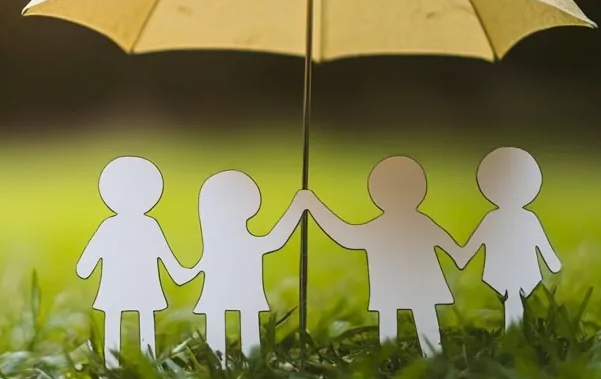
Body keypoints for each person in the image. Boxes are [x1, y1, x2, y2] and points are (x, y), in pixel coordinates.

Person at [294, 156, 461, 356]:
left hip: (409, 286)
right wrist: (314, 206)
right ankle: (420, 353)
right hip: (417, 287)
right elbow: (455, 250)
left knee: (405, 315)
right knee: (417, 314)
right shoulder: (420, 223)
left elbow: (347, 235)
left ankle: (408, 353)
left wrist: (314, 206)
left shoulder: (394, 226)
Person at [77, 156, 189, 367]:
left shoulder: (120, 226)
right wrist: (179, 273)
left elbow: (164, 254)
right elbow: (166, 256)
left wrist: (179, 273)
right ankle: (121, 362)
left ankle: (139, 362)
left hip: (129, 286)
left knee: (123, 318)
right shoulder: (142, 225)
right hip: (134, 286)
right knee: (133, 317)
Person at [187, 170, 303, 358]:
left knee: (242, 321)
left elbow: (275, 241)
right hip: (228, 293)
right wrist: (297, 208)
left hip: (236, 293)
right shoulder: (219, 244)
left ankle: (245, 358)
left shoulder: (224, 242)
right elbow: (274, 240)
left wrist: (297, 209)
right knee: (233, 321)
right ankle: (222, 359)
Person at [460, 147, 561, 328]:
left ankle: (513, 332)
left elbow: (541, 243)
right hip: (506, 269)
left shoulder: (526, 219)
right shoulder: (498, 218)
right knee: (513, 298)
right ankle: (513, 333)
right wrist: (552, 263)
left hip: (518, 270)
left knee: (514, 298)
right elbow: (478, 241)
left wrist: (462, 257)